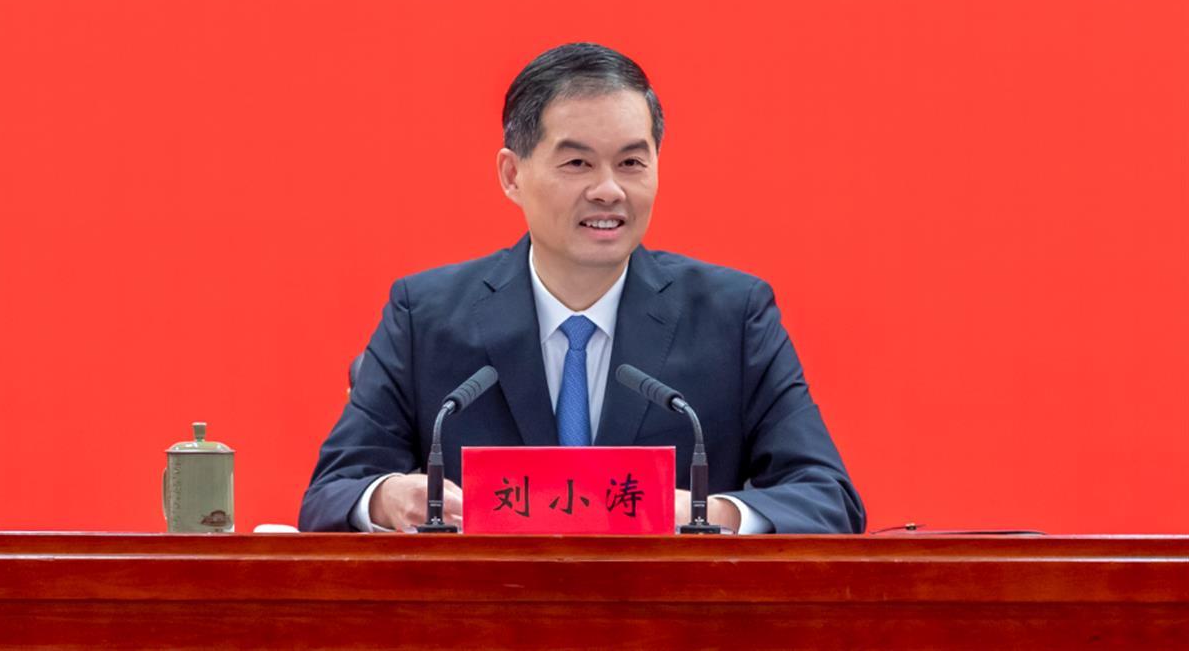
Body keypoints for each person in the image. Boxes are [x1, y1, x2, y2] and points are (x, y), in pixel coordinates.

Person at [299, 43, 864, 534]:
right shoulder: (424, 316)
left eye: (632, 162)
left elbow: (827, 497)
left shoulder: (733, 316)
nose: (609, 190)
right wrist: (387, 498)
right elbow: (332, 492)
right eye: (577, 162)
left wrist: (705, 514)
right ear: (512, 175)